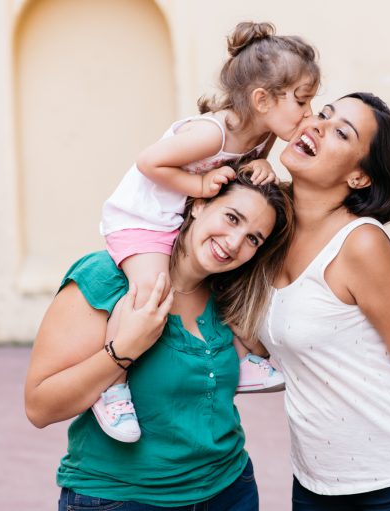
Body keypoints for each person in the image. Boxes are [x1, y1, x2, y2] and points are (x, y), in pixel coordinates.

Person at [96, 21, 319, 441]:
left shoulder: (261, 136)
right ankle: (111, 387)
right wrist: (198, 186)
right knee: (151, 291)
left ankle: (240, 357)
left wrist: (267, 166)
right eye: (303, 101)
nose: (308, 114)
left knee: (225, 282)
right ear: (261, 99)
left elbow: (240, 177)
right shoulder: (211, 133)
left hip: (178, 218)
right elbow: (149, 163)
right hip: (141, 219)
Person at [24, 171, 293, 510]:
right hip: (122, 498)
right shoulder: (107, 278)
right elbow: (40, 406)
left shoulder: (230, 294)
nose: (235, 242)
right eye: (231, 217)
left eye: (253, 238)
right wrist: (123, 352)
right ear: (198, 204)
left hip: (229, 489)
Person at [258, 93, 390, 510]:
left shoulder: (362, 246)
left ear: (359, 178)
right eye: (323, 113)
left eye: (340, 132)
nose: (316, 125)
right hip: (315, 486)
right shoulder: (270, 231)